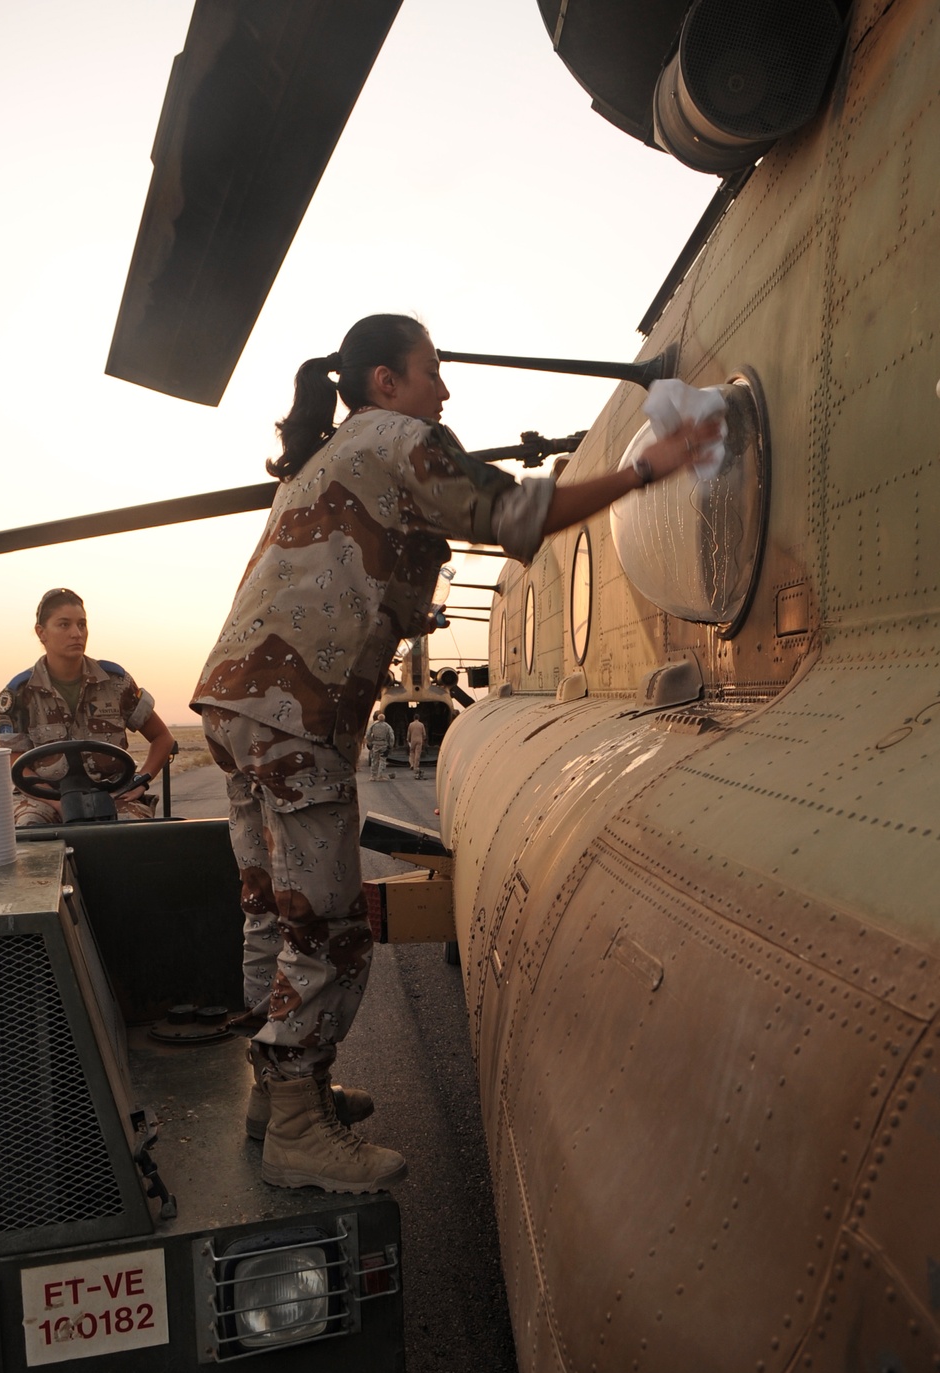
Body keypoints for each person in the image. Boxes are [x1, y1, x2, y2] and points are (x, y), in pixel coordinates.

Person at [192, 313, 720, 1196]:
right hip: (295, 712)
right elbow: (518, 512)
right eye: (431, 370)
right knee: (329, 925)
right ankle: (295, 1126)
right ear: (386, 383)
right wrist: (644, 469)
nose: (446, 389)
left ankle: (280, 1093)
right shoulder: (401, 438)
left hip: (234, 704)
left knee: (270, 913)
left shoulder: (328, 458)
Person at [0, 588, 175, 826]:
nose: (76, 633)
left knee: (133, 833)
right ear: (42, 633)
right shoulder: (19, 693)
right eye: (64, 625)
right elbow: (14, 759)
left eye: (82, 624)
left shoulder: (116, 682)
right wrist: (55, 802)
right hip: (45, 797)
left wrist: (141, 780)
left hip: (112, 793)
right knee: (30, 831)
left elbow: (162, 737)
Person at [366, 711, 395, 780]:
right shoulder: (387, 726)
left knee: (374, 760)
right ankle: (380, 776)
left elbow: (367, 735)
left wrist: (371, 741)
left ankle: (373, 776)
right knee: (382, 760)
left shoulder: (373, 725)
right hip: (384, 745)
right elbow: (392, 737)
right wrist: (391, 745)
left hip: (375, 744)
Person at [407, 710, 427, 779]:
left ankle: (411, 764)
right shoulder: (421, 724)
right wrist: (424, 739)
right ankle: (416, 766)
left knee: (412, 752)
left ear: (413, 718)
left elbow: (409, 733)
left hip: (413, 740)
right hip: (419, 740)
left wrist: (408, 739)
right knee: (417, 753)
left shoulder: (411, 724)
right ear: (419, 718)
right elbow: (424, 734)